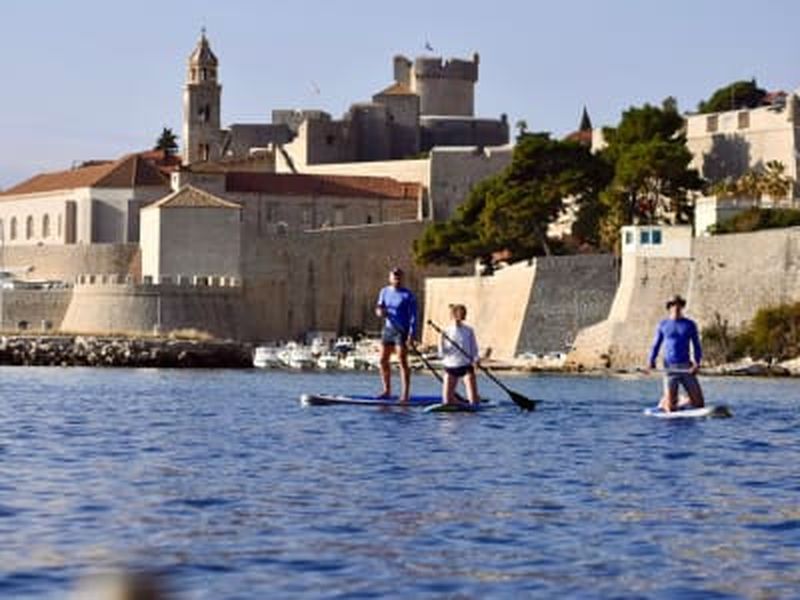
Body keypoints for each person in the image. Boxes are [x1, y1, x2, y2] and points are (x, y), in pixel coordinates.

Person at [648, 294, 705, 412]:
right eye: (673, 304)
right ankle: (667, 401)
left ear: (682, 306)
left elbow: (696, 345)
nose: (676, 307)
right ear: (669, 307)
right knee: (670, 409)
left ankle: (682, 400)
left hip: (686, 367)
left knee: (700, 404)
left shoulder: (690, 325)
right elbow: (656, 345)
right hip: (670, 368)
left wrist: (697, 363)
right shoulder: (663, 325)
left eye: (679, 304)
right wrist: (651, 361)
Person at [375, 267, 418, 402]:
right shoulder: (384, 291)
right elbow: (378, 308)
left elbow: (414, 316)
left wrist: (411, 334)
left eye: (399, 277)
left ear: (402, 278)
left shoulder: (408, 295)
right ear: (390, 278)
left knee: (402, 361)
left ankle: (405, 394)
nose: (396, 279)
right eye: (394, 276)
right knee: (382, 360)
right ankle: (387, 390)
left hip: (402, 331)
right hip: (388, 330)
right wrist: (380, 312)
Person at [439, 303, 480, 406]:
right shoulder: (445, 331)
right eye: (458, 313)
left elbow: (474, 348)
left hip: (466, 366)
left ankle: (474, 400)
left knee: (473, 401)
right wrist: (442, 341)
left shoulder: (469, 330)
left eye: (463, 313)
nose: (461, 316)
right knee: (447, 401)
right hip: (450, 366)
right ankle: (459, 403)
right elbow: (441, 353)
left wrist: (476, 359)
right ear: (453, 315)